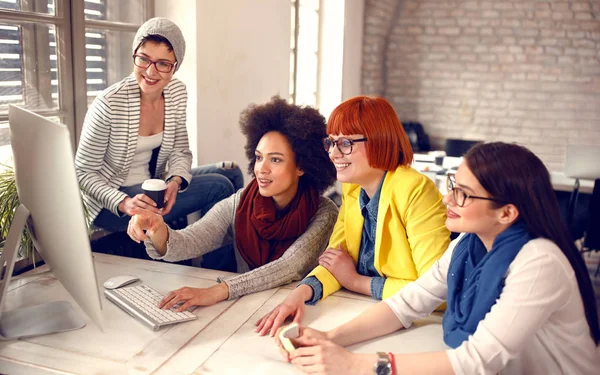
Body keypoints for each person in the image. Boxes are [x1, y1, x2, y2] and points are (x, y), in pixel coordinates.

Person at [277, 142, 600, 375]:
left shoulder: (539, 262)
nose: (448, 198)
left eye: (463, 193)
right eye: (453, 186)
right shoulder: (466, 246)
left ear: (507, 213)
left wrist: (357, 366)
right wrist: (332, 338)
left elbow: (476, 362)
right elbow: (406, 304)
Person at [256, 96, 451, 336]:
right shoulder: (354, 188)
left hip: (417, 327)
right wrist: (298, 294)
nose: (333, 154)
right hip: (365, 313)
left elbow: (439, 293)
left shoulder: (416, 191)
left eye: (346, 143)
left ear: (380, 141)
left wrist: (356, 282)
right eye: (331, 142)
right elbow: (334, 261)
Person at [126, 96, 339, 309]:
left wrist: (217, 291)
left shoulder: (324, 213)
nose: (261, 169)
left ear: (301, 166)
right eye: (258, 157)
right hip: (244, 306)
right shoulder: (241, 202)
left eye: (275, 159)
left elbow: (288, 266)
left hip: (297, 311)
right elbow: (190, 240)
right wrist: (156, 227)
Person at [75, 17, 243, 239]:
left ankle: (221, 255)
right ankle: (215, 269)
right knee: (219, 186)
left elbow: (180, 151)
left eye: (163, 63)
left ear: (175, 66)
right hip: (112, 201)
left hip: (152, 184)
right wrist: (124, 202)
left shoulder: (176, 92)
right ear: (135, 55)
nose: (151, 72)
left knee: (231, 174)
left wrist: (175, 181)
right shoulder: (109, 103)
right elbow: (83, 173)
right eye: (144, 59)